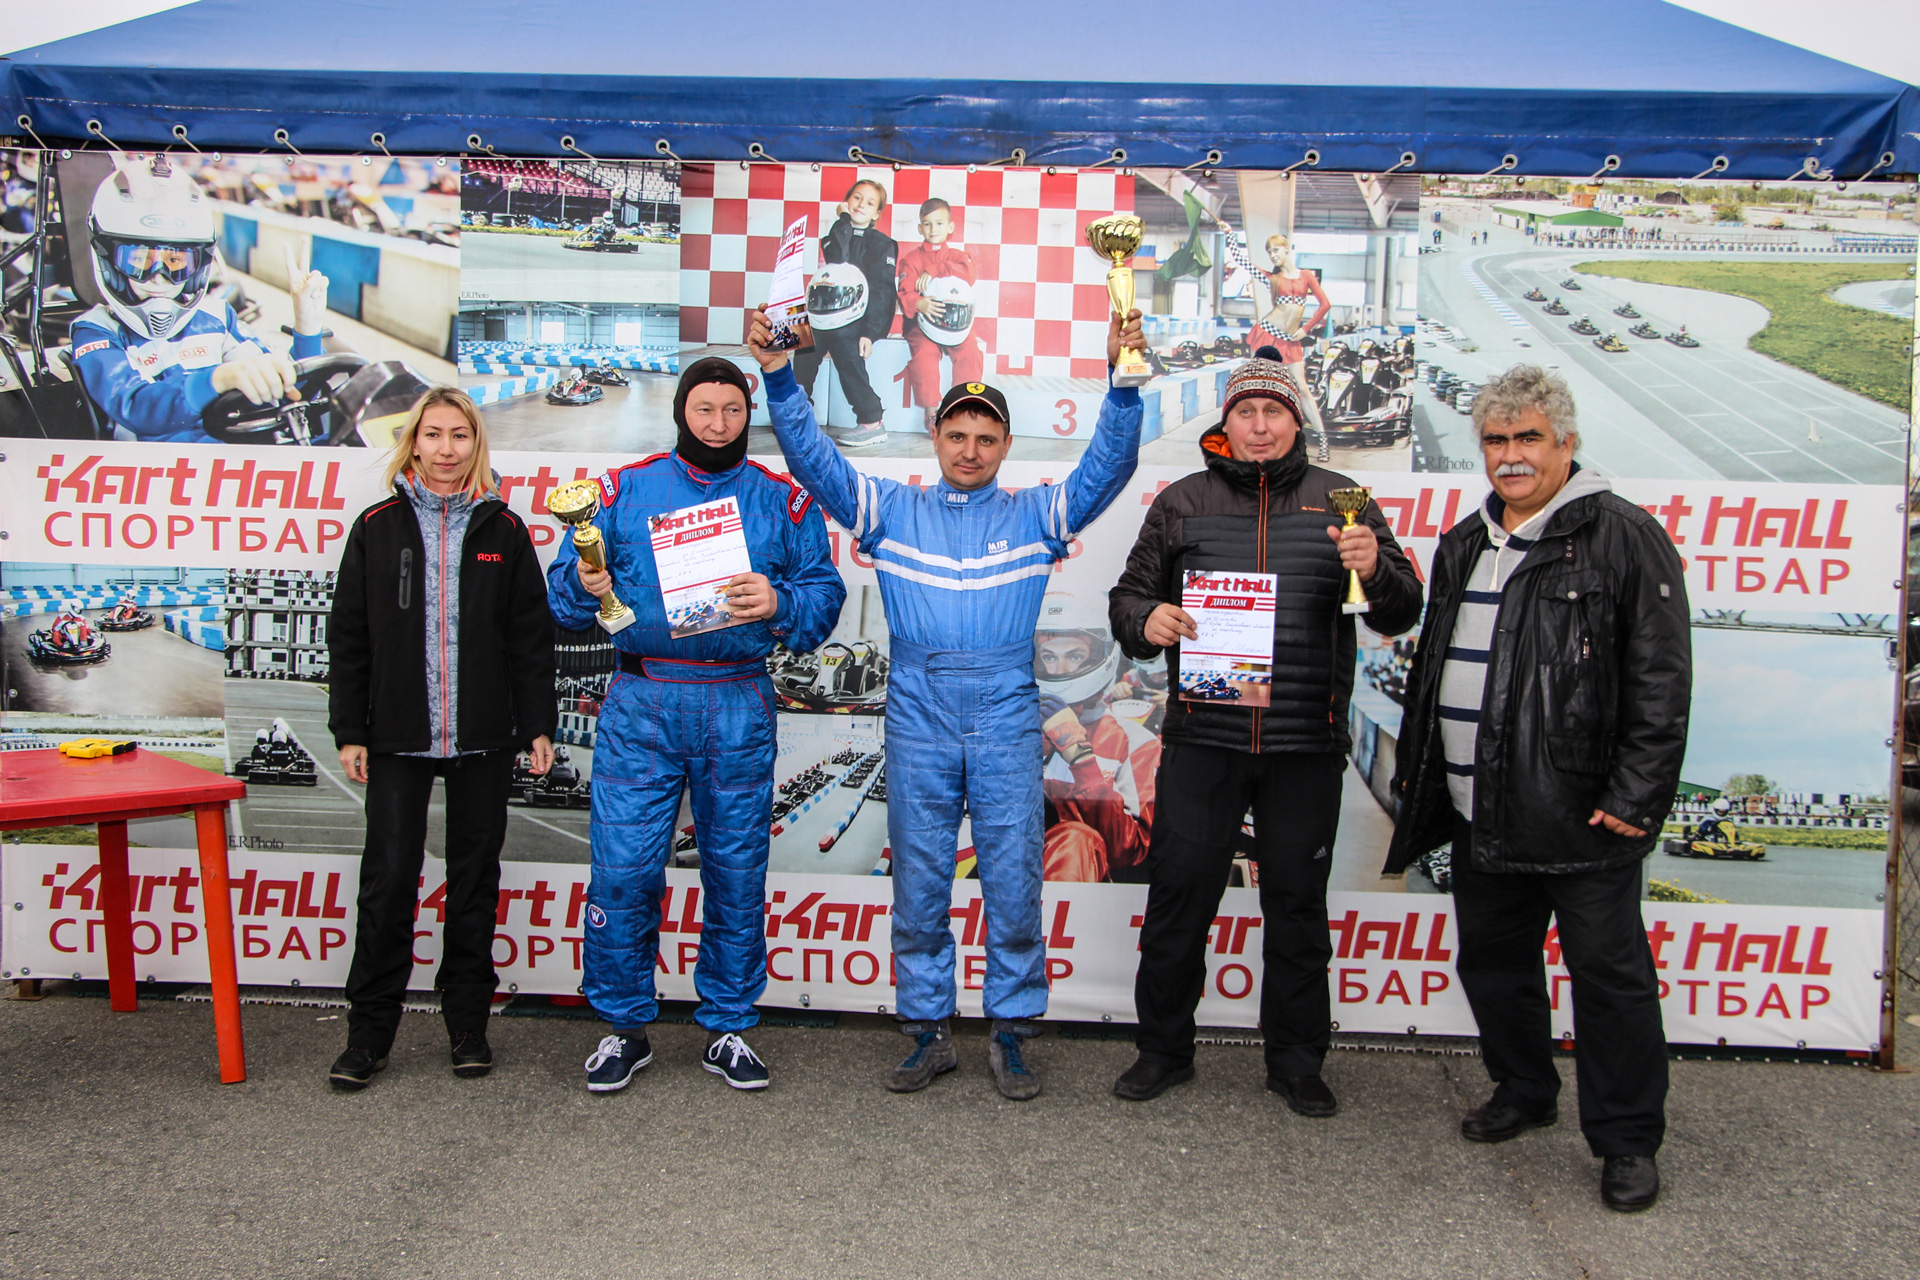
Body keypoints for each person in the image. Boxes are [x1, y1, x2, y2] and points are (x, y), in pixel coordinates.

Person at [749, 303, 1146, 1100]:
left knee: (1014, 882)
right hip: (919, 712)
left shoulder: (1038, 514)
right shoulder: (891, 510)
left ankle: (1012, 1032)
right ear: (935, 438)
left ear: (1006, 446)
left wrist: (1124, 385)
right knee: (922, 880)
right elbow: (815, 462)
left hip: (1005, 712)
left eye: (986, 439)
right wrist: (779, 378)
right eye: (957, 435)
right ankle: (928, 1030)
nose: (970, 450)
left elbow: (1107, 466)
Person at [1384, 365, 1690, 1213]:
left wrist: (1634, 797)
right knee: (1493, 965)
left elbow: (1660, 680)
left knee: (1609, 980)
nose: (1511, 455)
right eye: (1496, 439)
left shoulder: (1624, 536)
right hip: (1478, 809)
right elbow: (1434, 670)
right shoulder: (1463, 542)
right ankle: (1524, 1089)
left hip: (1583, 814)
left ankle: (1627, 1141)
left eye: (1529, 438)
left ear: (1567, 444)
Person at [1108, 348, 1423, 1114]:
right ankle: (1162, 1051)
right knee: (1179, 901)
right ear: (1227, 422)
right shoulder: (1182, 501)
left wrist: (1377, 567)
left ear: (1295, 421)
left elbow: (1401, 610)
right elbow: (1128, 601)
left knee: (1297, 908)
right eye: (1245, 411)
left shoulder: (1345, 498)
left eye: (1273, 412)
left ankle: (1296, 1063)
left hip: (1303, 747)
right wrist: (1148, 619)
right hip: (1203, 742)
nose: (1258, 426)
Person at [546, 358, 845, 1093]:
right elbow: (561, 603)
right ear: (682, 412)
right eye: (704, 410)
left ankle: (729, 1025)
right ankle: (623, 1026)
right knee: (623, 872)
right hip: (642, 700)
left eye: (732, 410)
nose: (717, 424)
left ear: (749, 414)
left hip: (737, 702)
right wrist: (583, 582)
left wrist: (778, 602)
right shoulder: (623, 491)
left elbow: (823, 597)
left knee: (737, 874)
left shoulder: (782, 500)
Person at [326, 388, 557, 1091]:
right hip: (397, 737)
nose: (447, 448)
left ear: (475, 443)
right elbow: (349, 636)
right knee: (388, 883)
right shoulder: (377, 526)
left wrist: (536, 723)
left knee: (474, 885)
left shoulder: (504, 530)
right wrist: (350, 728)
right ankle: (368, 1036)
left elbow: (529, 638)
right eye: (433, 434)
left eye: (460, 435)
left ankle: (467, 1027)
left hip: (483, 738)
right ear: (414, 443)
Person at [69, 155, 332, 444]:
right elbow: (135, 406)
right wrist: (218, 379)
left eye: (175, 262)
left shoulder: (217, 317)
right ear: (108, 259)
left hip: (237, 458)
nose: (159, 277)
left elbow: (290, 395)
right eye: (140, 260)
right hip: (156, 468)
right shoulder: (97, 330)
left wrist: (307, 326)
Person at [1034, 589, 1159, 884]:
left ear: (1101, 655)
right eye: (1049, 656)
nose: (1060, 670)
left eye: (1075, 656)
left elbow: (1128, 850)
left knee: (1075, 839)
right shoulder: (1009, 727)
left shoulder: (1135, 742)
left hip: (1086, 880)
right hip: (1005, 867)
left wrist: (1081, 760)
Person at [792, 178, 898, 449]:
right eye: (856, 198)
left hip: (858, 320)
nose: (861, 205)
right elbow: (838, 258)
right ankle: (798, 414)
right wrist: (843, 219)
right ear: (846, 202)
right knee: (804, 351)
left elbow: (883, 291)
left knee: (847, 357)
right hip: (825, 313)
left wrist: (870, 334)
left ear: (877, 214)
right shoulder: (835, 235)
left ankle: (872, 421)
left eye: (870, 203)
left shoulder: (883, 244)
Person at [896, 197, 984, 428]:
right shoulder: (911, 260)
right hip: (921, 324)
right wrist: (919, 304)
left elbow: (969, 273)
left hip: (956, 325)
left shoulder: (957, 256)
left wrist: (936, 269)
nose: (933, 229)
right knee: (924, 355)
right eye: (927, 224)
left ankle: (963, 405)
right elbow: (904, 291)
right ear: (919, 228)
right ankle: (932, 411)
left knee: (971, 352)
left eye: (939, 223)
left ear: (950, 227)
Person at [1248, 234, 1331, 459]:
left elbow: (1325, 304)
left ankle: (1323, 441)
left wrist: (1307, 329)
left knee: (1302, 389)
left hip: (1292, 339)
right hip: (1267, 335)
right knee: (1263, 388)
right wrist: (1228, 233)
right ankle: (1263, 443)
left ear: (1286, 249)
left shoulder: (1306, 276)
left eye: (1276, 250)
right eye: (1269, 252)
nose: (1272, 255)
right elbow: (1243, 261)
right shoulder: (1272, 278)